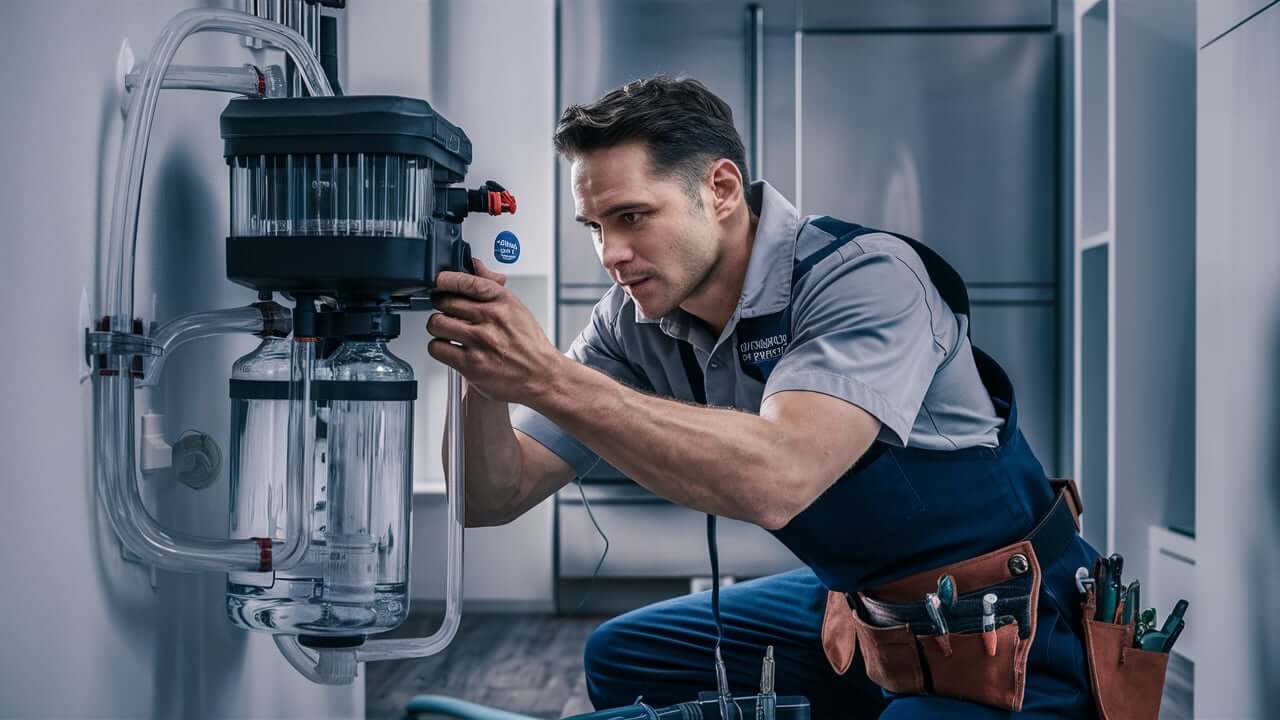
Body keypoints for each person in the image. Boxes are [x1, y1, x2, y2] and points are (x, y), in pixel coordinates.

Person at [426, 75, 1099, 719]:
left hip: (1011, 624)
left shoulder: (865, 277)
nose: (611, 253)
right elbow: (489, 498)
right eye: (595, 226)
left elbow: (780, 477)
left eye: (633, 216)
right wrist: (482, 376)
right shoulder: (630, 320)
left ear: (719, 188)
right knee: (627, 656)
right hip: (866, 607)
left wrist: (544, 376)